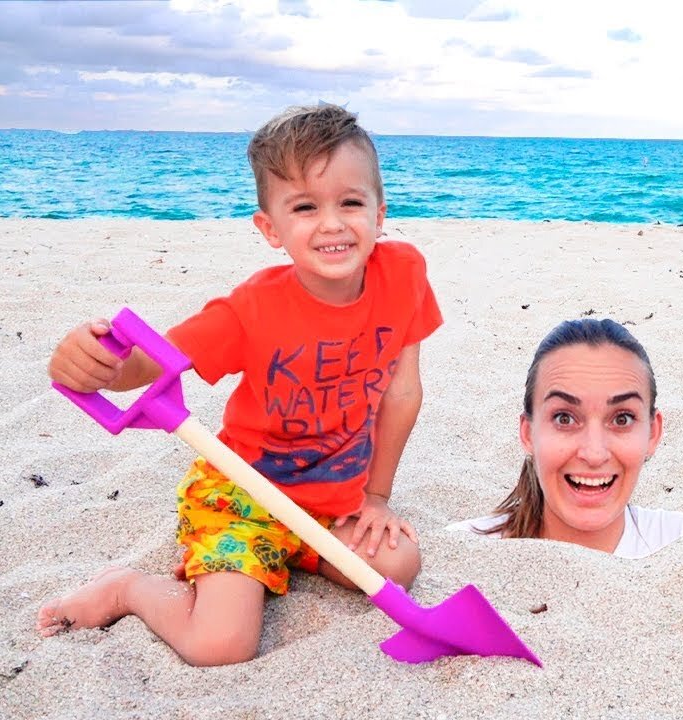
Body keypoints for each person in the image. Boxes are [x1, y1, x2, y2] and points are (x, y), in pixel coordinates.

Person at [38, 103, 443, 666]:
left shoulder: (404, 275)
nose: (331, 223)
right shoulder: (251, 310)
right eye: (305, 207)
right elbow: (150, 365)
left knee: (398, 565)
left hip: (330, 501)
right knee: (219, 645)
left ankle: (289, 554)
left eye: (351, 202)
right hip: (242, 495)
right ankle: (126, 588)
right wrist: (97, 363)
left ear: (379, 214)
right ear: (270, 228)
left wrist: (375, 495)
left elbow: (402, 390)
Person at [447, 319, 683, 559]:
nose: (594, 453)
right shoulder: (461, 551)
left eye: (621, 419)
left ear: (653, 433)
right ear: (528, 433)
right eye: (564, 418)